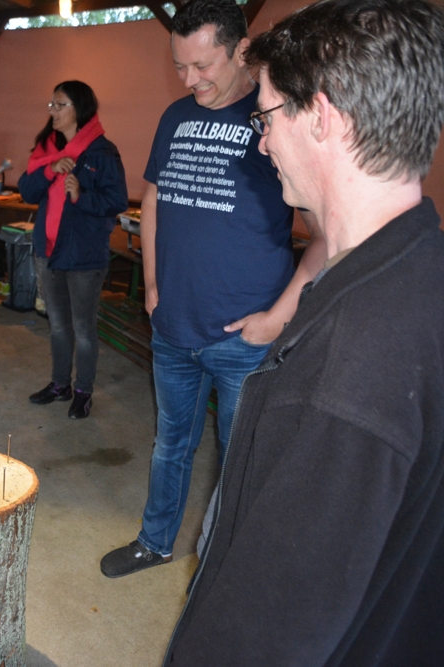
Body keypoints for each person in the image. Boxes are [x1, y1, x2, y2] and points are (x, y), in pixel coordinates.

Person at [165, 1, 444, 663]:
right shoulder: (418, 266)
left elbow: (266, 631)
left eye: (265, 117)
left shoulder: (354, 364)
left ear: (321, 117)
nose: (261, 142)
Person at [99, 0, 327, 579]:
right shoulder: (175, 116)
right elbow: (152, 198)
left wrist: (277, 317)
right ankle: (155, 542)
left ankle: (227, 569)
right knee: (169, 446)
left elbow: (328, 236)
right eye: (180, 66)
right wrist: (151, 286)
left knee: (240, 459)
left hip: (243, 340)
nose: (190, 79)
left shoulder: (275, 119)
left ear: (240, 50)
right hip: (174, 325)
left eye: (202, 65)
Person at [18, 80, 128, 420]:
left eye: (60, 104)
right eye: (51, 104)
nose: (52, 111)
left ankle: (83, 391)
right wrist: (50, 170)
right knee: (57, 327)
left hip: (83, 256)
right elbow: (26, 189)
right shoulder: (46, 148)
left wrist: (81, 196)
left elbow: (117, 200)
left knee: (83, 329)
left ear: (79, 109)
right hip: (48, 253)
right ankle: (59, 384)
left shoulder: (102, 152)